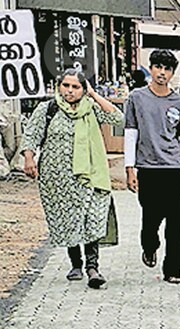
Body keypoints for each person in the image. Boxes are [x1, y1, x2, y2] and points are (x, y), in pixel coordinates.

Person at [20, 69, 124, 289]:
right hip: (57, 178)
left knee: (92, 216)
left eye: (76, 87)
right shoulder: (47, 109)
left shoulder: (91, 109)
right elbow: (32, 135)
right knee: (68, 218)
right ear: (59, 86)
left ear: (83, 89)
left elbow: (117, 117)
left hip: (90, 175)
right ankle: (75, 264)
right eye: (66, 85)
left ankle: (92, 267)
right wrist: (29, 158)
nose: (69, 91)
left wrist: (94, 95)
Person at [124, 49, 180, 285]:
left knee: (176, 223)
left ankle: (174, 268)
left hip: (173, 167)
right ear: (151, 69)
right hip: (147, 167)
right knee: (150, 216)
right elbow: (131, 132)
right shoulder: (137, 98)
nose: (161, 73)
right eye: (157, 67)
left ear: (172, 73)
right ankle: (149, 245)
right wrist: (129, 167)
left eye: (166, 69)